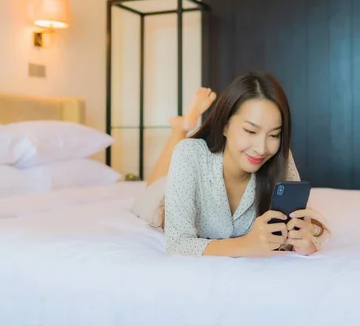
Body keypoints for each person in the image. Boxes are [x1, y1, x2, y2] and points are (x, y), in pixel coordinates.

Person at [130, 71, 330, 258]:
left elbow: (293, 233)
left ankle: (182, 126)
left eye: (274, 135)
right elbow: (177, 244)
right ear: (224, 125)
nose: (261, 148)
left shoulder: (280, 157)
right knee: (155, 185)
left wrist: (305, 244)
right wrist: (245, 245)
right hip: (160, 199)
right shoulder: (189, 153)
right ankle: (180, 128)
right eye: (250, 131)